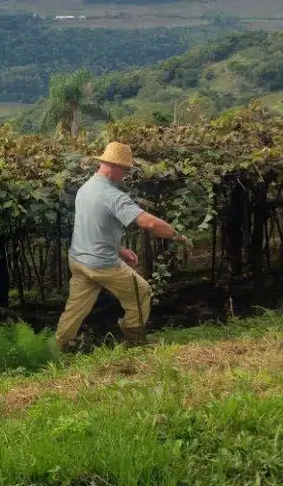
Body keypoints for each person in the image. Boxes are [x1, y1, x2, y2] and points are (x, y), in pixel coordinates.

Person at [55, 141, 189, 351]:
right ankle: (135, 341)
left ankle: (59, 347)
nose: (125, 175)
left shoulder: (85, 188)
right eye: (125, 170)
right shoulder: (113, 196)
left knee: (75, 309)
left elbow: (94, 227)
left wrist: (119, 250)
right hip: (101, 264)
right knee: (142, 291)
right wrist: (176, 236)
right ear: (115, 167)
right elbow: (149, 223)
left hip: (79, 260)